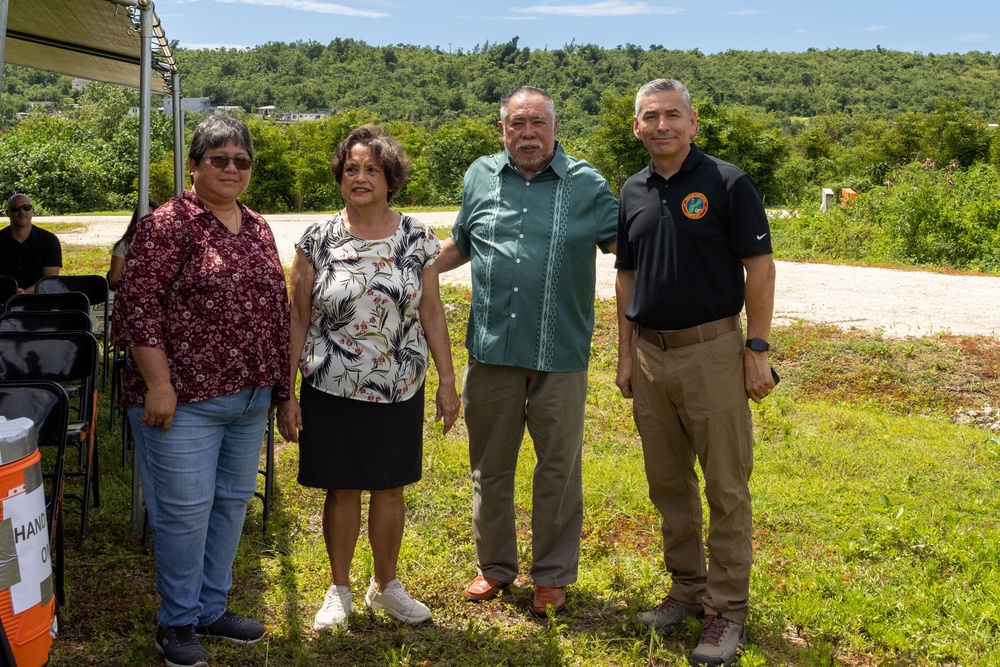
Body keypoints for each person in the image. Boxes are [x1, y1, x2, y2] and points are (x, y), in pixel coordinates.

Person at [111, 114, 290, 667]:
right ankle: (178, 621)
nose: (232, 168)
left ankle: (212, 608)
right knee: (184, 512)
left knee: (230, 505)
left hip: (248, 396)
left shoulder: (258, 226)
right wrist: (158, 384)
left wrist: (282, 390)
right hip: (181, 400)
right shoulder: (167, 224)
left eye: (242, 160)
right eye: (219, 159)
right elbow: (139, 309)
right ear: (194, 166)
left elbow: (274, 312)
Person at [433, 86, 619, 616]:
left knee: (557, 468)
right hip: (491, 349)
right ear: (503, 130)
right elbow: (462, 244)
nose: (529, 134)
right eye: (518, 124)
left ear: (555, 128)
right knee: (489, 467)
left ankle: (552, 576)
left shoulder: (587, 185)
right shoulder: (479, 175)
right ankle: (494, 568)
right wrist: (407, 270)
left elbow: (628, 249)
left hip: (559, 351)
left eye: (538, 123)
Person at [614, 78, 776, 667]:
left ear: (693, 122)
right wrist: (625, 351)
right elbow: (626, 278)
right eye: (650, 117)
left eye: (672, 116)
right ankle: (686, 589)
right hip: (651, 356)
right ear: (637, 127)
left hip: (713, 352)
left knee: (726, 487)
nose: (662, 126)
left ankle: (726, 611)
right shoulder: (631, 191)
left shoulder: (727, 183)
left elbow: (759, 266)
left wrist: (754, 347)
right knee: (668, 483)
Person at [276, 125, 459, 631]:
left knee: (390, 486)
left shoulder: (416, 236)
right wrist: (286, 392)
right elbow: (297, 316)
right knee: (341, 488)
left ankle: (387, 585)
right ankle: (339, 591)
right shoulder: (317, 238)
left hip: (398, 383)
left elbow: (432, 311)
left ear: (390, 178)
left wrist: (447, 380)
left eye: (371, 169)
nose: (360, 177)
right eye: (351, 168)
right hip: (329, 384)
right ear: (340, 177)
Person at [1, 193, 61, 293]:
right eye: (16, 208)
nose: (22, 211)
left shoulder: (49, 240)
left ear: (32, 211)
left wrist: (25, 293)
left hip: (38, 300)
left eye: (26, 207)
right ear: (8, 213)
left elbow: (50, 279)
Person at [108, 200, 158, 290]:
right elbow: (114, 280)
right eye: (143, 217)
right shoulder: (124, 245)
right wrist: (137, 283)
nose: (146, 222)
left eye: (151, 217)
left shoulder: (167, 245)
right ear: (136, 220)